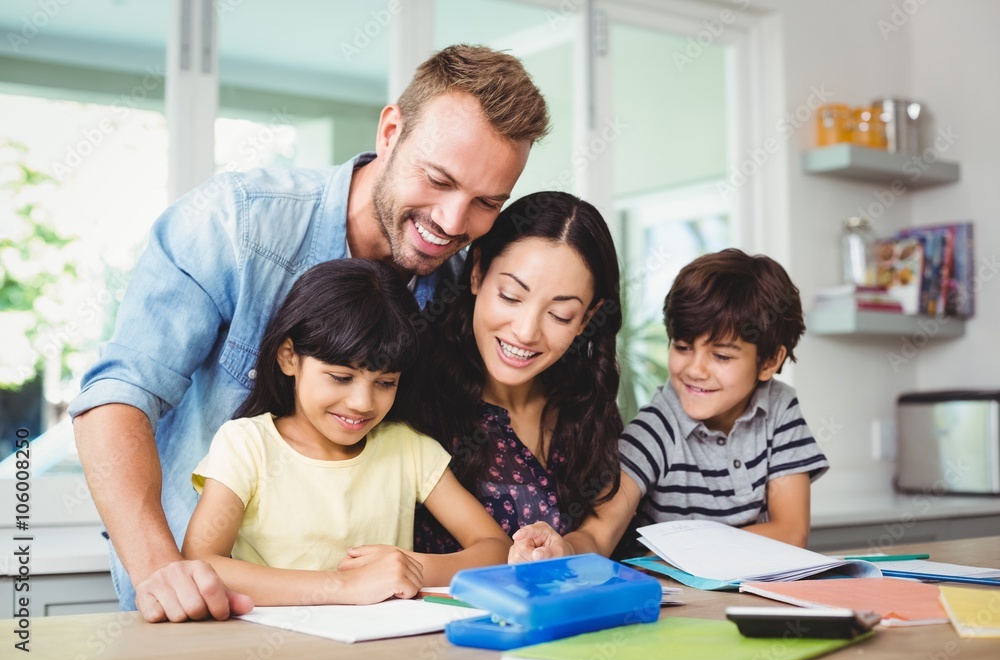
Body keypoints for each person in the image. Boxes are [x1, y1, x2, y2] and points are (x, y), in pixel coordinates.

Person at [68, 44, 549, 622]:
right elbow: (118, 396)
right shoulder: (236, 222)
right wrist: (162, 574)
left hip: (371, 626)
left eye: (485, 203)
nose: (451, 222)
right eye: (438, 179)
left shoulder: (460, 284)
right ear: (392, 130)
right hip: (187, 614)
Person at [181, 260, 510, 608]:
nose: (362, 403)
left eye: (385, 383)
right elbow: (200, 563)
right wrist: (344, 586)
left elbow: (497, 548)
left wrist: (414, 568)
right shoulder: (247, 445)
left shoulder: (408, 449)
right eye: (341, 377)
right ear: (289, 357)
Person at [509, 248, 830, 563]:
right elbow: (599, 532)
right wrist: (564, 550)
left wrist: (679, 551)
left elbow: (791, 533)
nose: (695, 369)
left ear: (769, 361)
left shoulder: (779, 408)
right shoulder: (656, 429)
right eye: (683, 346)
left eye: (721, 356)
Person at [399, 191, 624, 553]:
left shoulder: (586, 405)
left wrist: (564, 550)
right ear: (477, 274)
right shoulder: (414, 400)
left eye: (560, 315)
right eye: (510, 296)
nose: (526, 331)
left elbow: (599, 533)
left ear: (587, 318)